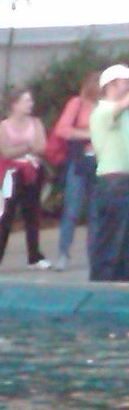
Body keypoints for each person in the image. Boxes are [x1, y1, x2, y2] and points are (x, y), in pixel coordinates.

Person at [0, 88, 52, 272]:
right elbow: (5, 151)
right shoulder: (2, 127)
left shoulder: (36, 123)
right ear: (14, 104)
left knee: (32, 214)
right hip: (11, 173)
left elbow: (42, 146)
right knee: (6, 215)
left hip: (33, 171)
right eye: (26, 101)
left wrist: (21, 148)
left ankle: (34, 256)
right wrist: (27, 146)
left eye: (30, 101)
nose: (30, 104)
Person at [54, 72, 101, 268]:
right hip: (80, 160)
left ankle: (94, 254)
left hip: (101, 160)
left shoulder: (107, 105)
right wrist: (88, 134)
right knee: (72, 208)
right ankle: (63, 253)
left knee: (96, 211)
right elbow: (62, 129)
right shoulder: (77, 103)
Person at [91, 64, 129, 284]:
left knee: (123, 243)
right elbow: (119, 108)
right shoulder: (102, 111)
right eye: (125, 82)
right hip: (113, 181)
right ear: (111, 85)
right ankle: (102, 284)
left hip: (123, 180)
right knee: (111, 239)